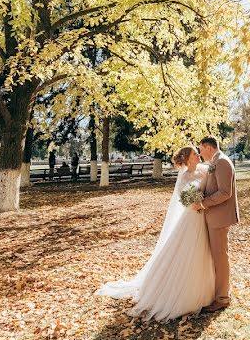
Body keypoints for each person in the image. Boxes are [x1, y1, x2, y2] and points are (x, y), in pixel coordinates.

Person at [96, 146, 216, 320]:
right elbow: (183, 199)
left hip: (204, 216)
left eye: (199, 153)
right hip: (191, 218)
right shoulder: (184, 177)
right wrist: (194, 204)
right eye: (195, 154)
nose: (199, 155)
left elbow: (215, 177)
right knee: (189, 253)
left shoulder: (205, 169)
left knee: (204, 252)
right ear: (189, 159)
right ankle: (185, 294)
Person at [190, 136, 238, 313]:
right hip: (214, 217)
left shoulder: (223, 162)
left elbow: (225, 192)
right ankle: (221, 293)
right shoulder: (215, 161)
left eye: (200, 149)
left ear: (207, 147)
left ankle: (222, 298)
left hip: (219, 218)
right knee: (218, 257)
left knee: (220, 257)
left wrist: (203, 203)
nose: (200, 152)